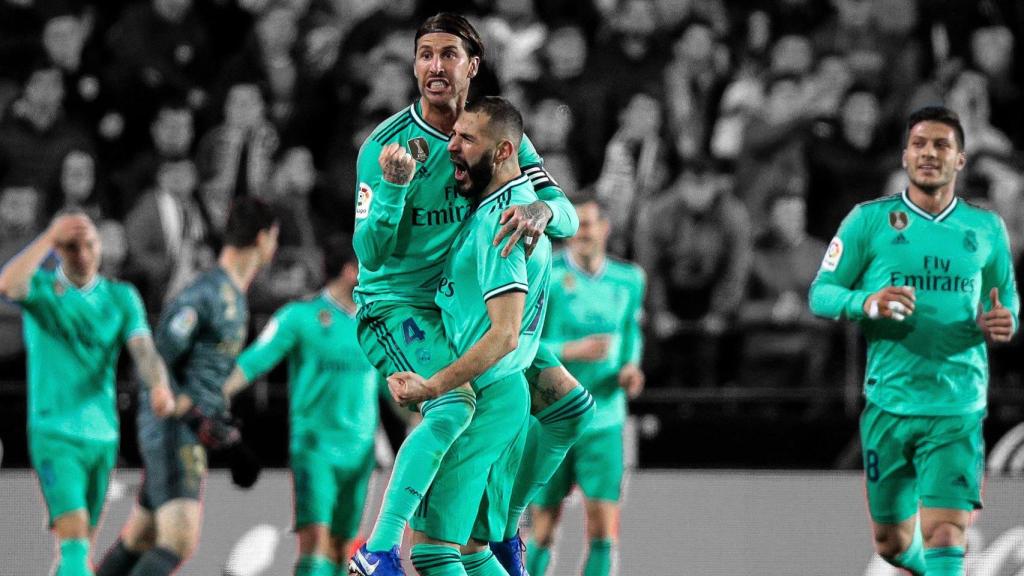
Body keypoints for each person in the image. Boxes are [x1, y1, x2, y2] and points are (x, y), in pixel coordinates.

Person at [349, 13, 593, 576]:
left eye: (448, 54)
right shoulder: (384, 147)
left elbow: (568, 216)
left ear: (472, 66)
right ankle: (379, 548)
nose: (435, 66)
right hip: (401, 306)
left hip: (466, 306)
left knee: (568, 408)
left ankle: (505, 527)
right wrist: (392, 189)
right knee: (453, 403)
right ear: (414, 66)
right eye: (425, 54)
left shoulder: (495, 132)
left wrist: (540, 208)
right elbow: (372, 254)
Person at [809, 106, 1019, 576]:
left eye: (942, 145)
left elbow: (1006, 304)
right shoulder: (868, 222)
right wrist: (868, 303)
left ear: (960, 160)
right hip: (889, 402)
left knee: (946, 532)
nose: (929, 153)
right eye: (920, 144)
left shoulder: (985, 229)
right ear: (905, 156)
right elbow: (820, 294)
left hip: (957, 402)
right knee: (892, 544)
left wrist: (1003, 322)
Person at [385, 95, 552, 576]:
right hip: (500, 394)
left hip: (486, 394)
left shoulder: (505, 220)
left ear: (502, 152)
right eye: (454, 134)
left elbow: (504, 335)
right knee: (473, 551)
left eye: (466, 139)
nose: (451, 146)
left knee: (434, 551)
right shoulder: (506, 207)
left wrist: (434, 387)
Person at [95, 197, 278, 576]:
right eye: (275, 237)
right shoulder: (206, 294)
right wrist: (189, 414)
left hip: (184, 427)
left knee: (141, 538)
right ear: (263, 238)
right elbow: (157, 357)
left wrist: (223, 431)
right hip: (172, 428)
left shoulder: (230, 293)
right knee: (177, 540)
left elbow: (203, 376)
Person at [0, 211, 175, 576]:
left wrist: (158, 385)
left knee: (78, 549)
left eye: (89, 243)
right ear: (60, 251)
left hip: (102, 435)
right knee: (75, 540)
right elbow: (7, 285)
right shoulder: (44, 290)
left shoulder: (121, 296)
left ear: (101, 248)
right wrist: (48, 236)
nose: (83, 253)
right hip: (54, 432)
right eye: (72, 246)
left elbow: (143, 349)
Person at [214, 235, 379, 576]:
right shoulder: (299, 317)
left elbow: (396, 386)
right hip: (315, 447)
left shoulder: (375, 323)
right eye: (372, 265)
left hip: (361, 450)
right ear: (350, 271)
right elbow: (254, 361)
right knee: (314, 541)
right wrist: (216, 393)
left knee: (341, 548)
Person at [525, 196, 645, 576]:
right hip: (552, 418)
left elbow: (631, 333)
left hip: (605, 418)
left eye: (589, 224)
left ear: (605, 228)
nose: (583, 233)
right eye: (576, 225)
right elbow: (524, 343)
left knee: (603, 527)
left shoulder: (629, 280)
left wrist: (630, 367)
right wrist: (573, 349)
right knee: (542, 527)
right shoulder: (546, 275)